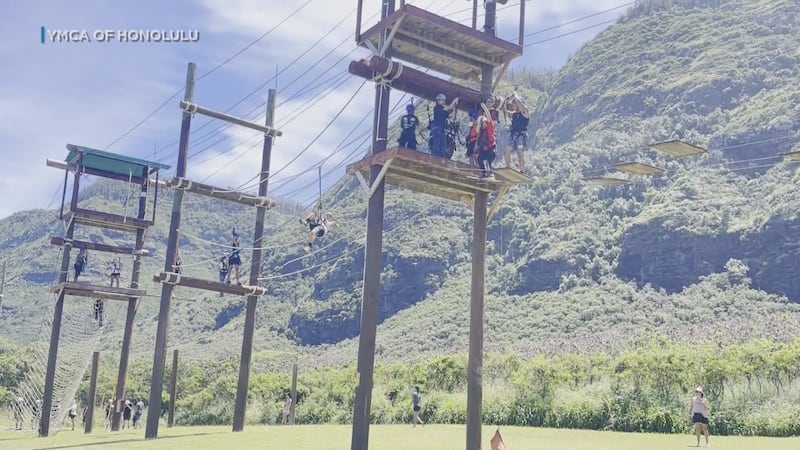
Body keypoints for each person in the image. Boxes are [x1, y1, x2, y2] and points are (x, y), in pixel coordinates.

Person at [503, 91, 530, 173]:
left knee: (520, 152)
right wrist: (507, 101)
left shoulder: (525, 112)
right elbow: (505, 111)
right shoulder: (513, 114)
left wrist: (515, 95)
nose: (513, 105)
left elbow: (520, 104)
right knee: (507, 150)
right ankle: (508, 167)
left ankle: (522, 169)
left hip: (521, 135)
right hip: (513, 134)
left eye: (514, 103)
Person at [430, 93, 459, 158]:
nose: (444, 101)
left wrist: (454, 107)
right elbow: (449, 107)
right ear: (438, 100)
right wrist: (455, 100)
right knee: (437, 146)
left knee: (443, 146)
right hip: (438, 129)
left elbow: (451, 115)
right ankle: (435, 158)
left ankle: (441, 159)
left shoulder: (442, 110)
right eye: (443, 100)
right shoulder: (438, 108)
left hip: (441, 130)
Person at [476, 102, 497, 181]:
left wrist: (484, 107)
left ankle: (491, 174)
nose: (484, 124)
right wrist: (479, 120)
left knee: (489, 161)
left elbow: (489, 117)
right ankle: (484, 173)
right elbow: (477, 130)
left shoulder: (489, 128)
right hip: (484, 150)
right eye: (483, 123)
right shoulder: (481, 131)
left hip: (491, 150)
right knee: (479, 159)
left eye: (484, 122)